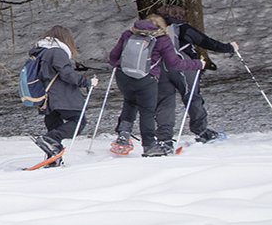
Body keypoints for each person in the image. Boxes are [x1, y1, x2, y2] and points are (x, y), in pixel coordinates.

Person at [108, 16, 203, 157]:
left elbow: (113, 57)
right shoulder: (162, 39)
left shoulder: (128, 34)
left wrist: (121, 66)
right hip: (146, 79)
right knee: (147, 111)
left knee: (129, 102)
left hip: (124, 76)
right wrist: (198, 64)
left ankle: (123, 135)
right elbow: (174, 64)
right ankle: (149, 146)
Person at [156, 5, 239, 143]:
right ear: (180, 15)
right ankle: (201, 131)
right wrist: (229, 47)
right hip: (184, 67)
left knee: (164, 102)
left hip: (161, 68)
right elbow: (207, 42)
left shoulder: (156, 29)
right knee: (192, 98)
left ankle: (164, 138)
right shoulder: (183, 28)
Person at [28, 26, 97, 165]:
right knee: (78, 122)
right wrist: (86, 82)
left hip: (46, 97)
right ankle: (50, 139)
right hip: (61, 96)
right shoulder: (57, 51)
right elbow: (66, 73)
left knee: (54, 125)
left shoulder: (40, 52)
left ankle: (53, 159)